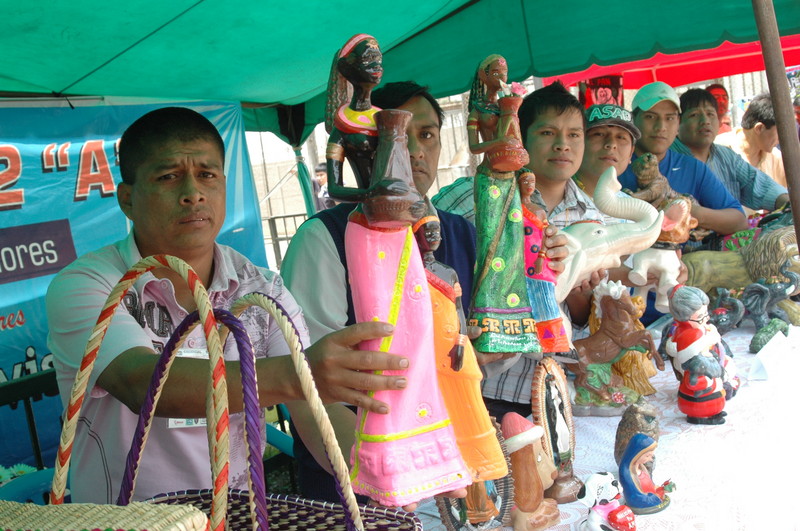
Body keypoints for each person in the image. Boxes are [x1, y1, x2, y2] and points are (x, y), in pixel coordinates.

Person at [46, 107, 409, 504]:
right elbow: (142, 384)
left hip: (235, 517)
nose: (193, 193)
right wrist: (297, 375)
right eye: (168, 176)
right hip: (122, 521)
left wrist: (381, 475)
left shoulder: (262, 288)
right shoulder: (87, 285)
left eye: (207, 175)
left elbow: (312, 409)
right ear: (128, 199)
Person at [618, 81, 748, 237]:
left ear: (678, 123)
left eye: (670, 118)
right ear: (633, 119)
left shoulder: (692, 168)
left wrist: (688, 210)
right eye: (650, 117)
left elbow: (739, 221)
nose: (661, 126)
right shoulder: (614, 165)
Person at [671, 88, 788, 212]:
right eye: (694, 115)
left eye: (710, 114)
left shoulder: (726, 156)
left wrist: (788, 203)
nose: (705, 121)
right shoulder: (667, 158)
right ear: (677, 123)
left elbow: (756, 183)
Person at [572, 103, 641, 221]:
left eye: (621, 137)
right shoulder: (554, 199)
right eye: (599, 134)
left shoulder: (634, 213)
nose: (611, 144)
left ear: (631, 153)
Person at [716, 92, 787, 188]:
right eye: (779, 132)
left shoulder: (776, 158)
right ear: (759, 128)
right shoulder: (718, 149)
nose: (781, 138)